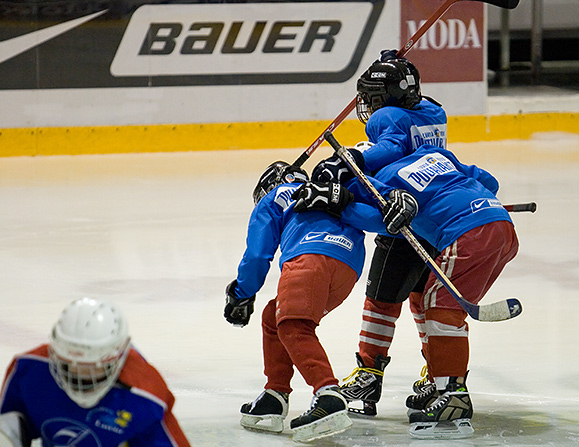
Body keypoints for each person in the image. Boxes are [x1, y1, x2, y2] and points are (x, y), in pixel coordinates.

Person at [301, 141, 519, 439]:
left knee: (440, 308)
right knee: (435, 302)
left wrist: (342, 208)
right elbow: (488, 181)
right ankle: (440, 384)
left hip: (468, 233)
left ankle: (452, 394)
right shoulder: (433, 155)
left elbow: (381, 219)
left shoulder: (379, 181)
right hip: (500, 225)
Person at [311, 51, 448, 416]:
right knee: (421, 299)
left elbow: (389, 146)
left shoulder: (388, 118)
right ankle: (437, 375)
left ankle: (369, 376)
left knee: (381, 300)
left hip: (401, 221)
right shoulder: (435, 112)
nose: (367, 106)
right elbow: (410, 115)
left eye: (372, 96)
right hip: (435, 221)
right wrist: (395, 69)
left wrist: (349, 159)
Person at [224, 161, 381, 443]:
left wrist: (242, 293)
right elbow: (376, 221)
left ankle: (328, 394)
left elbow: (258, 254)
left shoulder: (276, 196)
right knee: (275, 316)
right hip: (348, 268)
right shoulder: (330, 191)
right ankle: (275, 395)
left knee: (293, 326)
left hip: (308, 258)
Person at [0, 297, 191, 447]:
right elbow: (8, 431)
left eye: (93, 366)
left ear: (119, 356)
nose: (80, 374)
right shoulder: (28, 370)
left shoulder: (145, 394)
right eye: (71, 363)